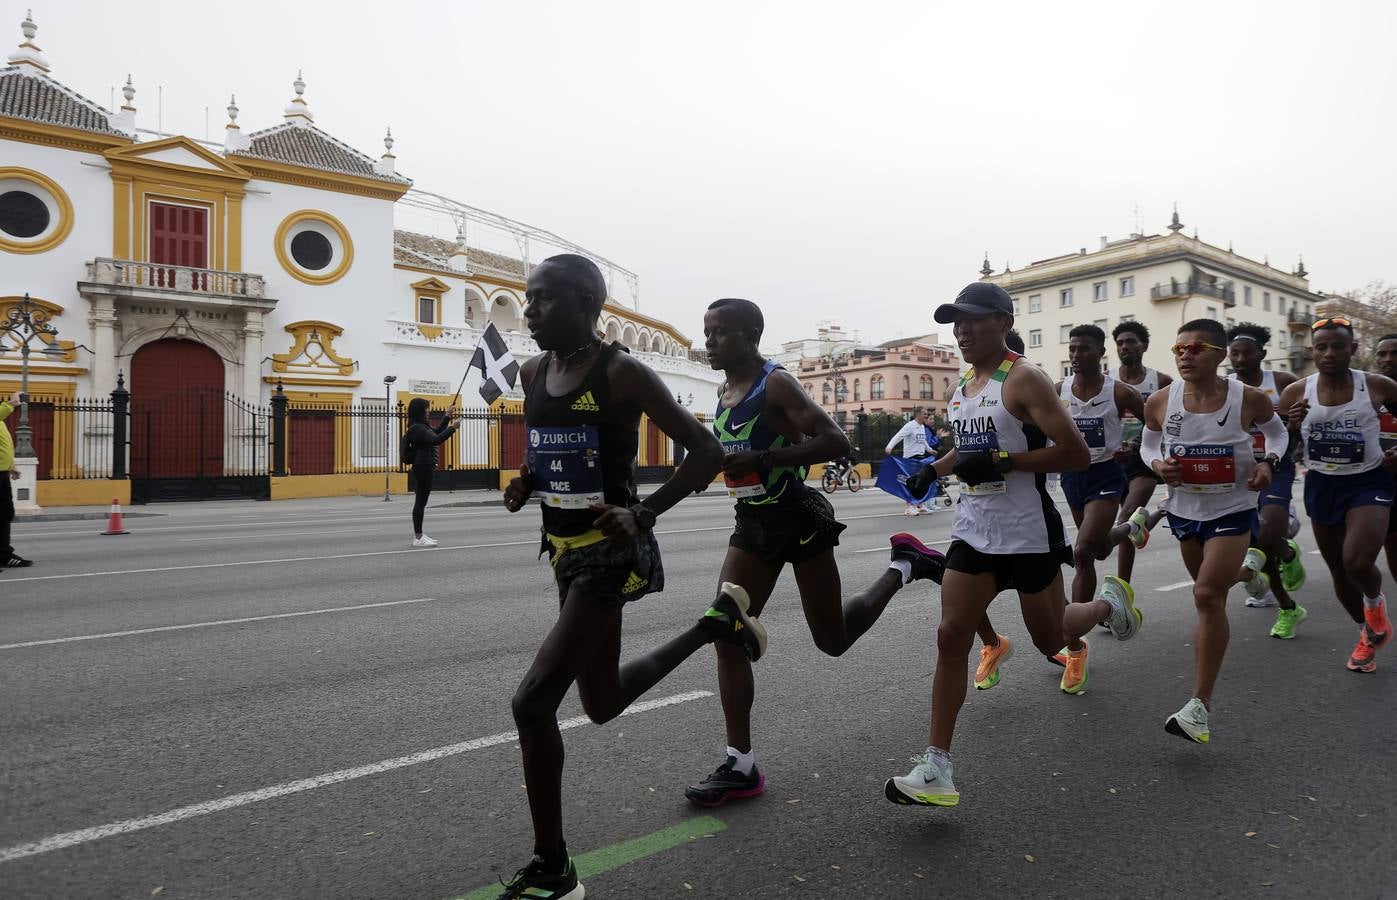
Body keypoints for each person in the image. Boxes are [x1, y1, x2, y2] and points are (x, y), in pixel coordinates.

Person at [496, 255, 758, 900]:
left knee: (532, 703)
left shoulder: (621, 372)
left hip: (608, 556)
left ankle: (554, 869)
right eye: (528, 298)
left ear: (587, 304)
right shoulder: (532, 372)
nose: (529, 311)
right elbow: (547, 451)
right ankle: (715, 625)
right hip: (562, 552)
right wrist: (528, 482)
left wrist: (643, 513)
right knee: (603, 701)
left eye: (544, 299)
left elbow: (707, 451)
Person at [885, 283, 1140, 809]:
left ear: (1004, 322)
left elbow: (1074, 454)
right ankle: (936, 765)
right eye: (956, 323)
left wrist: (1005, 462)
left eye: (973, 320)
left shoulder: (1025, 378)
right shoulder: (964, 384)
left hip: (1027, 533)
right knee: (951, 635)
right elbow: (969, 448)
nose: (962, 331)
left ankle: (1107, 605)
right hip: (974, 529)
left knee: (1052, 636)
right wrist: (933, 469)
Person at [686, 298, 946, 807]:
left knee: (833, 640)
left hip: (798, 519)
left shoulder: (775, 384)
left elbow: (835, 442)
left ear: (750, 336)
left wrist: (765, 457)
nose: (710, 341)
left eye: (720, 332)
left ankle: (904, 566)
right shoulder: (723, 391)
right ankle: (741, 764)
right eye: (707, 331)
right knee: (726, 631)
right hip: (753, 522)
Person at [1139, 319, 1287, 743]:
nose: (1185, 355)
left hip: (1232, 509)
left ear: (1220, 355)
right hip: (1185, 511)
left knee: (1205, 595)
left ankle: (1199, 706)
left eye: (1196, 348)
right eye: (1179, 349)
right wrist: (1157, 464)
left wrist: (1268, 463)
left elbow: (1277, 434)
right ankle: (1251, 571)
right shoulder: (1161, 400)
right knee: (1214, 593)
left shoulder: (1248, 398)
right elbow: (1149, 445)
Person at [1276, 317, 1397, 674]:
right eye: (1321, 347)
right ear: (1312, 351)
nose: (1329, 353)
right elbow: (1281, 447)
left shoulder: (1376, 386)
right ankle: (1365, 634)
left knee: (1356, 561)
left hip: (1369, 482)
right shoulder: (1296, 392)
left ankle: (1374, 604)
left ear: (1353, 349)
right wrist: (1291, 427)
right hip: (1322, 483)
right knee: (1339, 571)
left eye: (1338, 346)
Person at [1055, 324, 1145, 617]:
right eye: (1072, 348)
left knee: (1082, 552)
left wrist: (1132, 446)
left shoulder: (1121, 392)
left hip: (1106, 474)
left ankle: (1076, 631)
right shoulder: (1057, 390)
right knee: (1099, 549)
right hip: (1072, 476)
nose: (1075, 354)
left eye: (1083, 348)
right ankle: (1131, 527)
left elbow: (1153, 425)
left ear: (1101, 352)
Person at [1226, 324, 1308, 638]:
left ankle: (1285, 553)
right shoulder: (1225, 386)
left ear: (1262, 354)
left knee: (1266, 535)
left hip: (1276, 467)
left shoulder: (1284, 383)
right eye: (1234, 353)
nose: (1239, 359)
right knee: (1259, 542)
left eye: (1247, 353)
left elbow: (1297, 432)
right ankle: (1288, 605)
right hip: (1238, 471)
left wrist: (1296, 426)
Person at [1112, 321, 1172, 585]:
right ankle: (1159, 512)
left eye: (1130, 342)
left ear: (1144, 346)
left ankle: (1120, 590)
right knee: (1130, 526)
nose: (1124, 347)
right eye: (1120, 343)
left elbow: (1172, 421)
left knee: (1125, 519)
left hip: (1146, 457)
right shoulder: (1107, 379)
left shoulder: (1161, 382)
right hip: (1114, 459)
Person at [403, 398, 460, 547]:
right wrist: (453, 428)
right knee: (420, 502)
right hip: (422, 467)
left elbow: (436, 432)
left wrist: (447, 416)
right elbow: (436, 440)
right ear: (420, 411)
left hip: (425, 467)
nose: (428, 411)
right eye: (426, 408)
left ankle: (420, 535)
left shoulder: (422, 426)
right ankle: (418, 537)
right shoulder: (417, 428)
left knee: (421, 502)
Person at [1373, 334, 1397, 583]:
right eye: (1382, 354)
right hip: (1379, 477)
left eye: (1394, 353)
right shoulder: (1367, 391)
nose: (1388, 359)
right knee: (1391, 540)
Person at [885, 406, 940, 515]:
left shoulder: (922, 427)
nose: (926, 416)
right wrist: (889, 447)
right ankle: (909, 507)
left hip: (920, 458)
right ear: (918, 414)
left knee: (921, 483)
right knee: (911, 484)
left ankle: (920, 505)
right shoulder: (910, 426)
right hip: (910, 459)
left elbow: (923, 440)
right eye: (924, 414)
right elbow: (898, 436)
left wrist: (929, 450)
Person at [1, 390, 31, 569]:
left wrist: (11, 466)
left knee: (5, 513)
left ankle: (4, 555)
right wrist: (10, 404)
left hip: (2, 472)